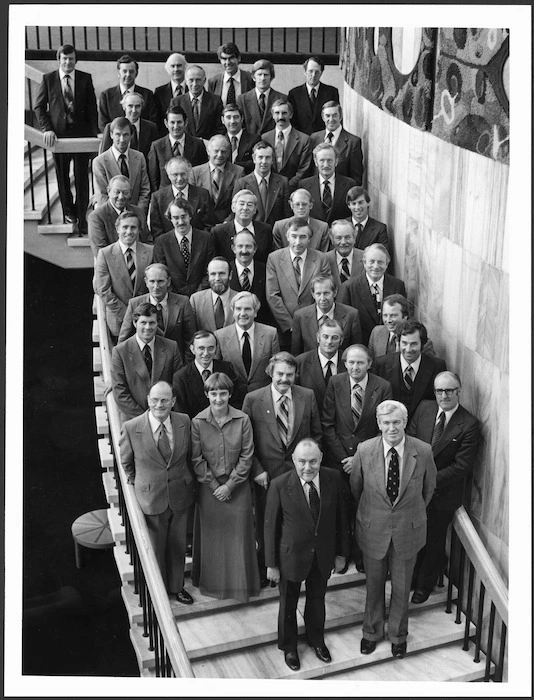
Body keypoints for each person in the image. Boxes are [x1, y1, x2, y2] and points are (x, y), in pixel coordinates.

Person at [350, 400, 436, 658]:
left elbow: (428, 490)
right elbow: (357, 487)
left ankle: (398, 635)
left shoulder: (423, 450)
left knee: (401, 587)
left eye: (396, 422)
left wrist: (408, 513)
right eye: (386, 422)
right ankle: (371, 633)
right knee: (373, 586)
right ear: (378, 424)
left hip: (408, 530)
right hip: (373, 529)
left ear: (405, 422)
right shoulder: (365, 450)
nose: (391, 427)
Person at [264, 438, 350, 670]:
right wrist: (271, 564)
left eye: (313, 461)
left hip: (322, 554)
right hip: (290, 556)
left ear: (321, 459)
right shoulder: (280, 484)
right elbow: (270, 527)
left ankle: (316, 640)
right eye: (302, 461)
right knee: (288, 603)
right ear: (294, 460)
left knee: (317, 600)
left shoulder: (333, 478)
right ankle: (289, 647)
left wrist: (341, 553)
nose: (307, 467)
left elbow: (342, 519)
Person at [242, 352, 323, 584]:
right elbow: (246, 441)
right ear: (270, 373)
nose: (284, 379)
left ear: (295, 374)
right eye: (280, 374)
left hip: (299, 474)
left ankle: (294, 568)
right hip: (266, 475)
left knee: (295, 522)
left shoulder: (307, 396)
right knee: (267, 523)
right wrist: (256, 469)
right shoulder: (253, 399)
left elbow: (316, 435)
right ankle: (266, 569)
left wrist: (308, 468)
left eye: (289, 374)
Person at [119, 381, 195, 605]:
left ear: (173, 402)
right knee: (156, 547)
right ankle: (159, 591)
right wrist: (142, 483)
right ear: (148, 400)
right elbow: (126, 463)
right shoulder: (132, 427)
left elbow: (189, 455)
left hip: (180, 493)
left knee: (178, 544)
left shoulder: (184, 421)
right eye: (154, 400)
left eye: (164, 400)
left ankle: (177, 586)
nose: (158, 404)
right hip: (151, 497)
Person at [407, 372, 480, 603]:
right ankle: (411, 579)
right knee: (413, 535)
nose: (444, 395)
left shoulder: (468, 424)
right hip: (414, 489)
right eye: (439, 390)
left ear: (459, 391)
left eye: (449, 390)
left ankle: (424, 585)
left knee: (434, 539)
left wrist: (427, 480)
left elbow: (462, 467)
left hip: (442, 494)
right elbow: (408, 440)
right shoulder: (425, 409)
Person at [323, 344, 393, 571]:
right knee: (340, 510)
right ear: (344, 363)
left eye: (360, 362)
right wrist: (345, 458)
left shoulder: (382, 387)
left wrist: (359, 458)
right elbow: (328, 424)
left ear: (370, 364)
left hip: (369, 460)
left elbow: (383, 427)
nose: (355, 367)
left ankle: (362, 555)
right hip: (338, 460)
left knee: (365, 509)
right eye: (351, 362)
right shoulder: (335, 383)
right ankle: (342, 554)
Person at [191, 372, 260, 602]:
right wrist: (214, 486)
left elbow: (247, 455)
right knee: (213, 539)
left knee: (239, 537)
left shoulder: (243, 420)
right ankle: (214, 587)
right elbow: (197, 460)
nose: (218, 398)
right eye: (213, 393)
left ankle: (241, 588)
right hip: (209, 491)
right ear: (206, 395)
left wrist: (230, 485)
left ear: (230, 394)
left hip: (237, 488)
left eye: (222, 393)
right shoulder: (197, 422)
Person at [33, 43, 98, 233]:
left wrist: (95, 133)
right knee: (62, 177)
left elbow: (92, 108)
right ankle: (69, 210)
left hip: (81, 137)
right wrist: (47, 129)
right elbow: (39, 107)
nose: (68, 62)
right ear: (58, 60)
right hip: (59, 138)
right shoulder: (49, 79)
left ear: (75, 60)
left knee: (81, 178)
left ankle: (82, 216)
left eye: (71, 58)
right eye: (65, 58)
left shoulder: (85, 79)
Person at [111, 302, 182, 422]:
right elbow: (120, 392)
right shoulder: (120, 351)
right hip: (134, 421)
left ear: (157, 323)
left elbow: (178, 385)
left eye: (152, 323)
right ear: (134, 323)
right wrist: (146, 419)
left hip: (165, 417)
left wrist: (162, 413)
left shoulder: (171, 347)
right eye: (143, 323)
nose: (148, 327)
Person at [265, 220, 330, 347]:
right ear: (287, 237)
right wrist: (290, 325)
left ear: (310, 239)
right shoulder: (274, 258)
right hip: (285, 328)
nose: (298, 242)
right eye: (294, 236)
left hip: (313, 326)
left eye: (303, 237)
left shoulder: (321, 259)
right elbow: (272, 295)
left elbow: (324, 292)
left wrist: (310, 323)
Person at [117, 263, 196, 364]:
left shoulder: (183, 303)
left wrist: (184, 367)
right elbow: (124, 339)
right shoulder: (135, 304)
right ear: (146, 282)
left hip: (175, 364)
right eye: (152, 281)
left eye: (160, 281)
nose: (156, 286)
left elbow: (190, 340)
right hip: (145, 364)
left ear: (168, 282)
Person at [93, 211, 153, 338]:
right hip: (119, 321)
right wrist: (128, 315)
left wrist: (143, 315)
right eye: (125, 227)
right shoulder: (105, 254)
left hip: (147, 320)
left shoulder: (150, 251)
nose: (129, 231)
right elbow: (103, 290)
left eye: (133, 227)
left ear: (139, 230)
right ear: (117, 229)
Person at [373, 319, 447, 420]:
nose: (408, 349)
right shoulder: (381, 364)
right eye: (404, 343)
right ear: (398, 342)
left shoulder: (437, 366)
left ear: (423, 344)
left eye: (414, 344)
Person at [337, 243, 406, 345]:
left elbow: (404, 318)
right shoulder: (348, 288)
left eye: (380, 262)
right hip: (360, 346)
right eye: (371, 262)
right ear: (364, 263)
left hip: (388, 347)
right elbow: (344, 324)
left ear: (387, 264)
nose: (376, 266)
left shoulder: (397, 285)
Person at [214, 291, 280, 393]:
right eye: (238, 309)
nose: (242, 313)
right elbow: (216, 370)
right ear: (233, 311)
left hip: (261, 396)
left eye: (247, 309)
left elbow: (276, 368)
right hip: (233, 396)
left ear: (255, 312)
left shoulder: (270, 334)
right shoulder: (220, 336)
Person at [173, 330, 245, 417]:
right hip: (196, 427)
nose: (206, 353)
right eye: (201, 348)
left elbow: (236, 401)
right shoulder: (181, 377)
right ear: (192, 349)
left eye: (210, 348)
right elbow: (181, 413)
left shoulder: (227, 369)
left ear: (216, 349)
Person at [153, 197, 214, 295]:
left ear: (190, 216)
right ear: (170, 219)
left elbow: (210, 270)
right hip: (173, 298)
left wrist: (198, 293)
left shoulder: (206, 238)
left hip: (201, 295)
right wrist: (178, 298)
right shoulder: (161, 242)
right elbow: (162, 273)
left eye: (183, 216)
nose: (181, 222)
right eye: (176, 218)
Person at [291, 274, 362, 356]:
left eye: (326, 293)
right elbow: (296, 353)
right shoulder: (300, 316)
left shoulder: (351, 315)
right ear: (313, 294)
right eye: (318, 294)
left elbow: (356, 350)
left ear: (334, 293)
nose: (322, 298)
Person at [91, 116, 151, 214]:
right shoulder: (100, 162)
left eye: (126, 135)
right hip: (112, 218)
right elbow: (102, 195)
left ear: (131, 135)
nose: (122, 139)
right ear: (111, 135)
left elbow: (145, 190)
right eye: (118, 135)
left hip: (135, 217)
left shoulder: (139, 157)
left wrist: (137, 213)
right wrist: (119, 217)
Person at [147, 106, 208, 192]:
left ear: (185, 122)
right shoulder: (157, 146)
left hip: (191, 196)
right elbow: (153, 179)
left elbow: (202, 174)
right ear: (166, 123)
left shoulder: (198, 144)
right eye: (172, 122)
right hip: (165, 198)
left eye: (179, 122)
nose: (176, 126)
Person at [87, 175, 149, 257]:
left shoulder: (138, 212)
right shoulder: (97, 216)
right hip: (112, 265)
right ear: (108, 191)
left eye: (125, 193)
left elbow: (147, 241)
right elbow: (100, 251)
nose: (121, 197)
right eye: (117, 192)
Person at [189, 135, 244, 228]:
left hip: (227, 225)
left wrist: (227, 222)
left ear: (228, 153)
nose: (219, 155)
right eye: (216, 151)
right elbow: (192, 203)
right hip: (201, 226)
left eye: (223, 151)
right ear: (208, 151)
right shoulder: (195, 172)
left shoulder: (238, 172)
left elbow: (239, 201)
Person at [149, 156, 211, 237]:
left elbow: (209, 225)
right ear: (168, 175)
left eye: (183, 174)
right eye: (175, 175)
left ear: (189, 173)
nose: (179, 178)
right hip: (168, 246)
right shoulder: (158, 197)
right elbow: (156, 230)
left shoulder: (203, 194)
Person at [232, 141, 291, 227]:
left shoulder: (282, 182)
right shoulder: (241, 183)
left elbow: (287, 214)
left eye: (267, 158)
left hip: (274, 233)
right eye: (260, 157)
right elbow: (236, 213)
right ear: (254, 158)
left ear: (272, 160)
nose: (264, 161)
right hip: (251, 233)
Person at [295, 318, 345, 413]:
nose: (329, 341)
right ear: (318, 337)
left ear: (341, 340)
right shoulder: (301, 362)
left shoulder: (348, 362)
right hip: (310, 418)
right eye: (325, 336)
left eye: (335, 337)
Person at [261, 99, 312, 191]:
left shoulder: (304, 139)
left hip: (294, 190)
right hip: (269, 189)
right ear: (272, 115)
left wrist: (286, 187)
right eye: (277, 113)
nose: (280, 117)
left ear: (291, 114)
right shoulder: (265, 138)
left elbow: (304, 170)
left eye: (284, 113)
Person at [98, 54, 158, 132]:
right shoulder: (106, 96)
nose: (128, 75)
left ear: (136, 73)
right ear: (118, 73)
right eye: (124, 71)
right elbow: (103, 124)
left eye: (131, 71)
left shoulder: (147, 95)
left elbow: (153, 121)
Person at [211, 189, 272, 265]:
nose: (245, 208)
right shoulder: (218, 232)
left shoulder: (266, 230)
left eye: (249, 205)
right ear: (233, 207)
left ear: (255, 210)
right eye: (241, 204)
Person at [299, 143, 357, 223]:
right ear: (316, 162)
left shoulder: (349, 184)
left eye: (329, 160)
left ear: (336, 161)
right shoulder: (304, 185)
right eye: (322, 160)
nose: (326, 165)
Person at [309, 101, 364, 185]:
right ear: (323, 117)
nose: (331, 119)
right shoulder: (313, 138)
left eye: (335, 115)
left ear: (340, 116)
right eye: (327, 116)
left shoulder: (353, 142)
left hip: (340, 193)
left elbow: (356, 179)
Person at [368, 294, 435, 360]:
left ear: (405, 316)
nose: (388, 320)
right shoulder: (376, 332)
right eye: (385, 315)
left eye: (393, 316)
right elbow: (370, 363)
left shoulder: (423, 343)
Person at [228, 229, 272, 325]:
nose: (244, 251)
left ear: (255, 249)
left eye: (248, 246)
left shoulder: (266, 270)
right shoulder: (226, 271)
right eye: (240, 246)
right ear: (233, 248)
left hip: (262, 328)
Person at [288, 56, 340, 135]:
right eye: (310, 71)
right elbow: (292, 120)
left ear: (321, 73)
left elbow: (336, 116)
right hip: (301, 140)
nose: (313, 75)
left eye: (317, 72)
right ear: (305, 72)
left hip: (323, 139)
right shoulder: (294, 94)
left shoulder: (331, 92)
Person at [170, 65, 225, 140]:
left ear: (204, 80)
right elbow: (173, 128)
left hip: (208, 147)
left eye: (198, 80)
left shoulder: (215, 101)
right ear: (186, 81)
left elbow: (220, 128)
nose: (195, 84)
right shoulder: (176, 102)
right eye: (191, 80)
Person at [99, 91, 158, 158]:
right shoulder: (111, 126)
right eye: (130, 106)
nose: (134, 110)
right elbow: (104, 156)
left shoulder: (151, 127)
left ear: (142, 107)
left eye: (137, 106)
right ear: (124, 107)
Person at [237, 59, 287, 136]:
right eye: (259, 74)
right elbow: (241, 126)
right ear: (253, 77)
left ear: (271, 77)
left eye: (266, 75)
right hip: (250, 145)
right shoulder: (242, 99)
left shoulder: (282, 98)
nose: (263, 78)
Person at [272, 188, 330, 253]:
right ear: (291, 205)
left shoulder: (323, 228)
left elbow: (323, 257)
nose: (301, 207)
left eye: (304, 204)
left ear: (311, 205)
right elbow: (278, 256)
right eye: (297, 204)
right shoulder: (279, 227)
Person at [189, 257, 236, 332]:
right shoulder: (196, 300)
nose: (217, 278)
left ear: (230, 275)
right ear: (208, 276)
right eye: (213, 274)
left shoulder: (240, 299)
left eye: (221, 273)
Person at [345, 186, 390, 253]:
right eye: (354, 204)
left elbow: (383, 256)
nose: (357, 207)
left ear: (368, 203)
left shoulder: (380, 229)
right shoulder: (342, 226)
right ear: (349, 205)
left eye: (361, 202)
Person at [154, 53, 188, 133]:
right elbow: (157, 120)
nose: (176, 69)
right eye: (172, 66)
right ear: (168, 69)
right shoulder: (159, 92)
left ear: (185, 67)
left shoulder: (192, 90)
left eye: (179, 65)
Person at [221, 103, 259, 174]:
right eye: (228, 117)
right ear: (223, 120)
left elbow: (255, 163)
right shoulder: (219, 141)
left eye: (236, 117)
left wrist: (232, 165)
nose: (232, 121)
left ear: (242, 119)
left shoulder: (254, 140)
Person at [325, 219, 364, 288]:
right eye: (338, 238)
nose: (343, 242)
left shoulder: (365, 258)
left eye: (347, 237)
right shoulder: (324, 260)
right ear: (332, 240)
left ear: (354, 238)